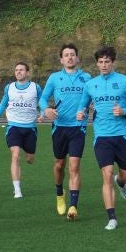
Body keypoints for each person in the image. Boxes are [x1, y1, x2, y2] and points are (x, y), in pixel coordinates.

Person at [76, 45, 126, 230]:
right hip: (102, 136)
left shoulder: (125, 82)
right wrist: (80, 113)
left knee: (125, 176)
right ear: (97, 64)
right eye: (100, 62)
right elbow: (82, 105)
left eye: (107, 61)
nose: (104, 65)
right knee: (106, 175)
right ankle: (112, 217)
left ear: (113, 62)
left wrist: (125, 111)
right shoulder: (90, 85)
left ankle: (121, 183)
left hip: (123, 135)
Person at [40, 44, 92, 219]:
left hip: (78, 127)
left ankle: (73, 207)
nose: (70, 57)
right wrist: (45, 109)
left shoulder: (87, 78)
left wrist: (89, 107)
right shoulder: (54, 78)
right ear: (61, 59)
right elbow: (43, 98)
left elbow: (93, 99)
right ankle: (59, 194)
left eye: (72, 55)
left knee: (74, 166)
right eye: (66, 55)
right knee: (59, 165)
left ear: (77, 58)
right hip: (59, 128)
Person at [0, 62, 43, 198]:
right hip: (13, 126)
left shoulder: (35, 87)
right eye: (16, 70)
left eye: (21, 70)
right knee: (15, 155)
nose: (18, 72)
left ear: (27, 72)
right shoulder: (9, 87)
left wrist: (42, 114)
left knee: (30, 159)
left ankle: (30, 154)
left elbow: (42, 102)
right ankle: (17, 190)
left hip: (30, 128)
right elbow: (3, 103)